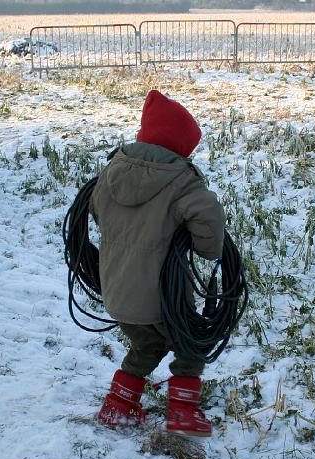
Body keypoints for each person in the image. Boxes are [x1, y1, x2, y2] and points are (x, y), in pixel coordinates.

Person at [90, 90, 225, 437]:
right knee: (190, 342)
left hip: (118, 292)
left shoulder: (111, 171)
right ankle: (182, 410)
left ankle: (118, 404)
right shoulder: (181, 181)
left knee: (147, 343)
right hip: (162, 296)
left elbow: (93, 208)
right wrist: (209, 251)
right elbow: (208, 217)